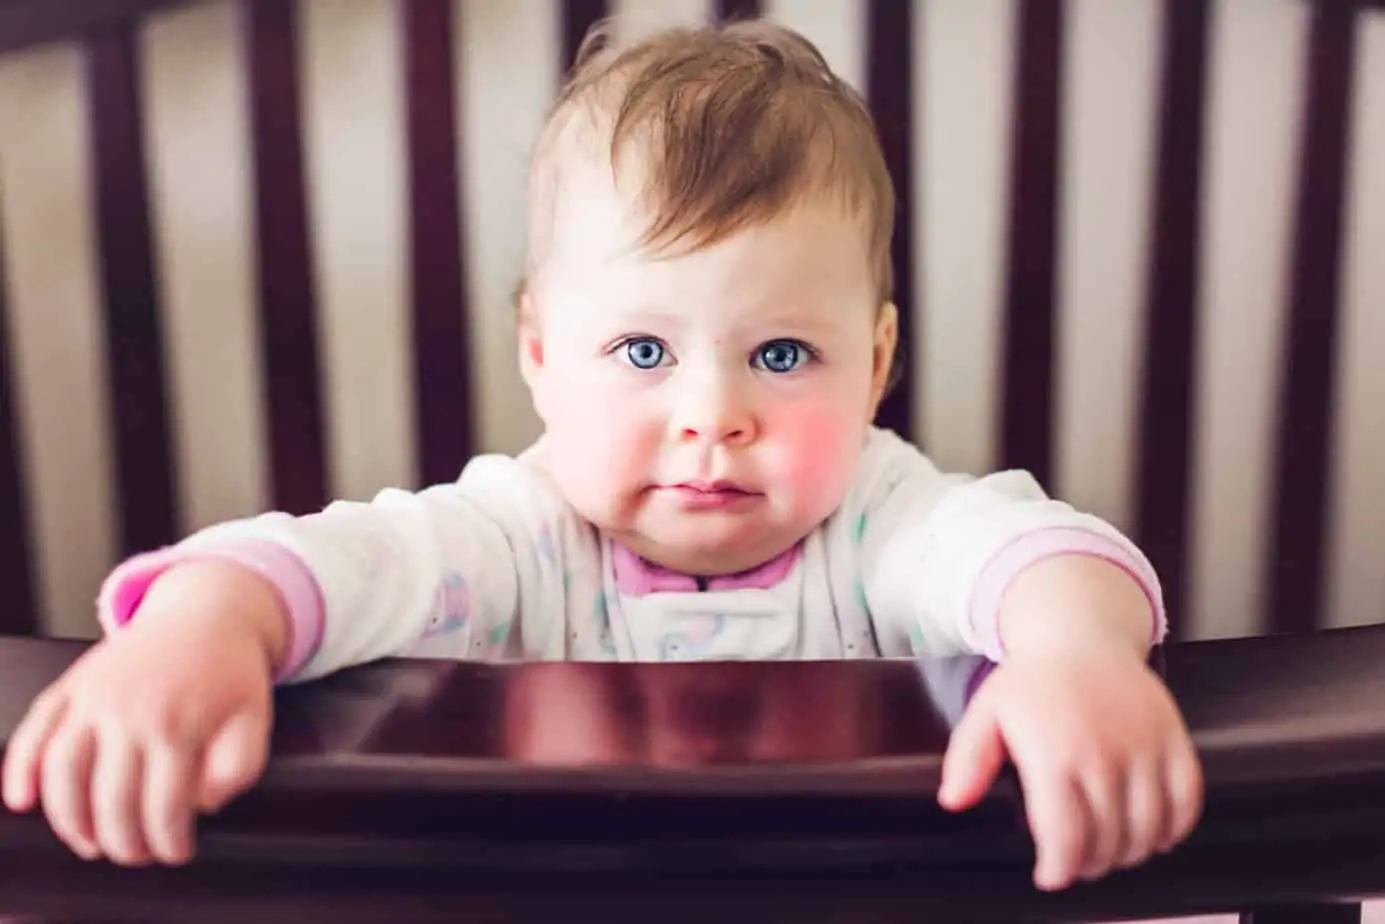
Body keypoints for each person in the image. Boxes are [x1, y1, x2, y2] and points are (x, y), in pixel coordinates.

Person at [0, 19, 1201, 891]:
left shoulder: (878, 521)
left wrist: (1073, 652)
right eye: (639, 350)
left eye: (781, 356)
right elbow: (348, 558)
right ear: (537, 352)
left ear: (875, 362)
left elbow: (1027, 548)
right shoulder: (515, 537)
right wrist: (201, 630)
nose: (712, 413)